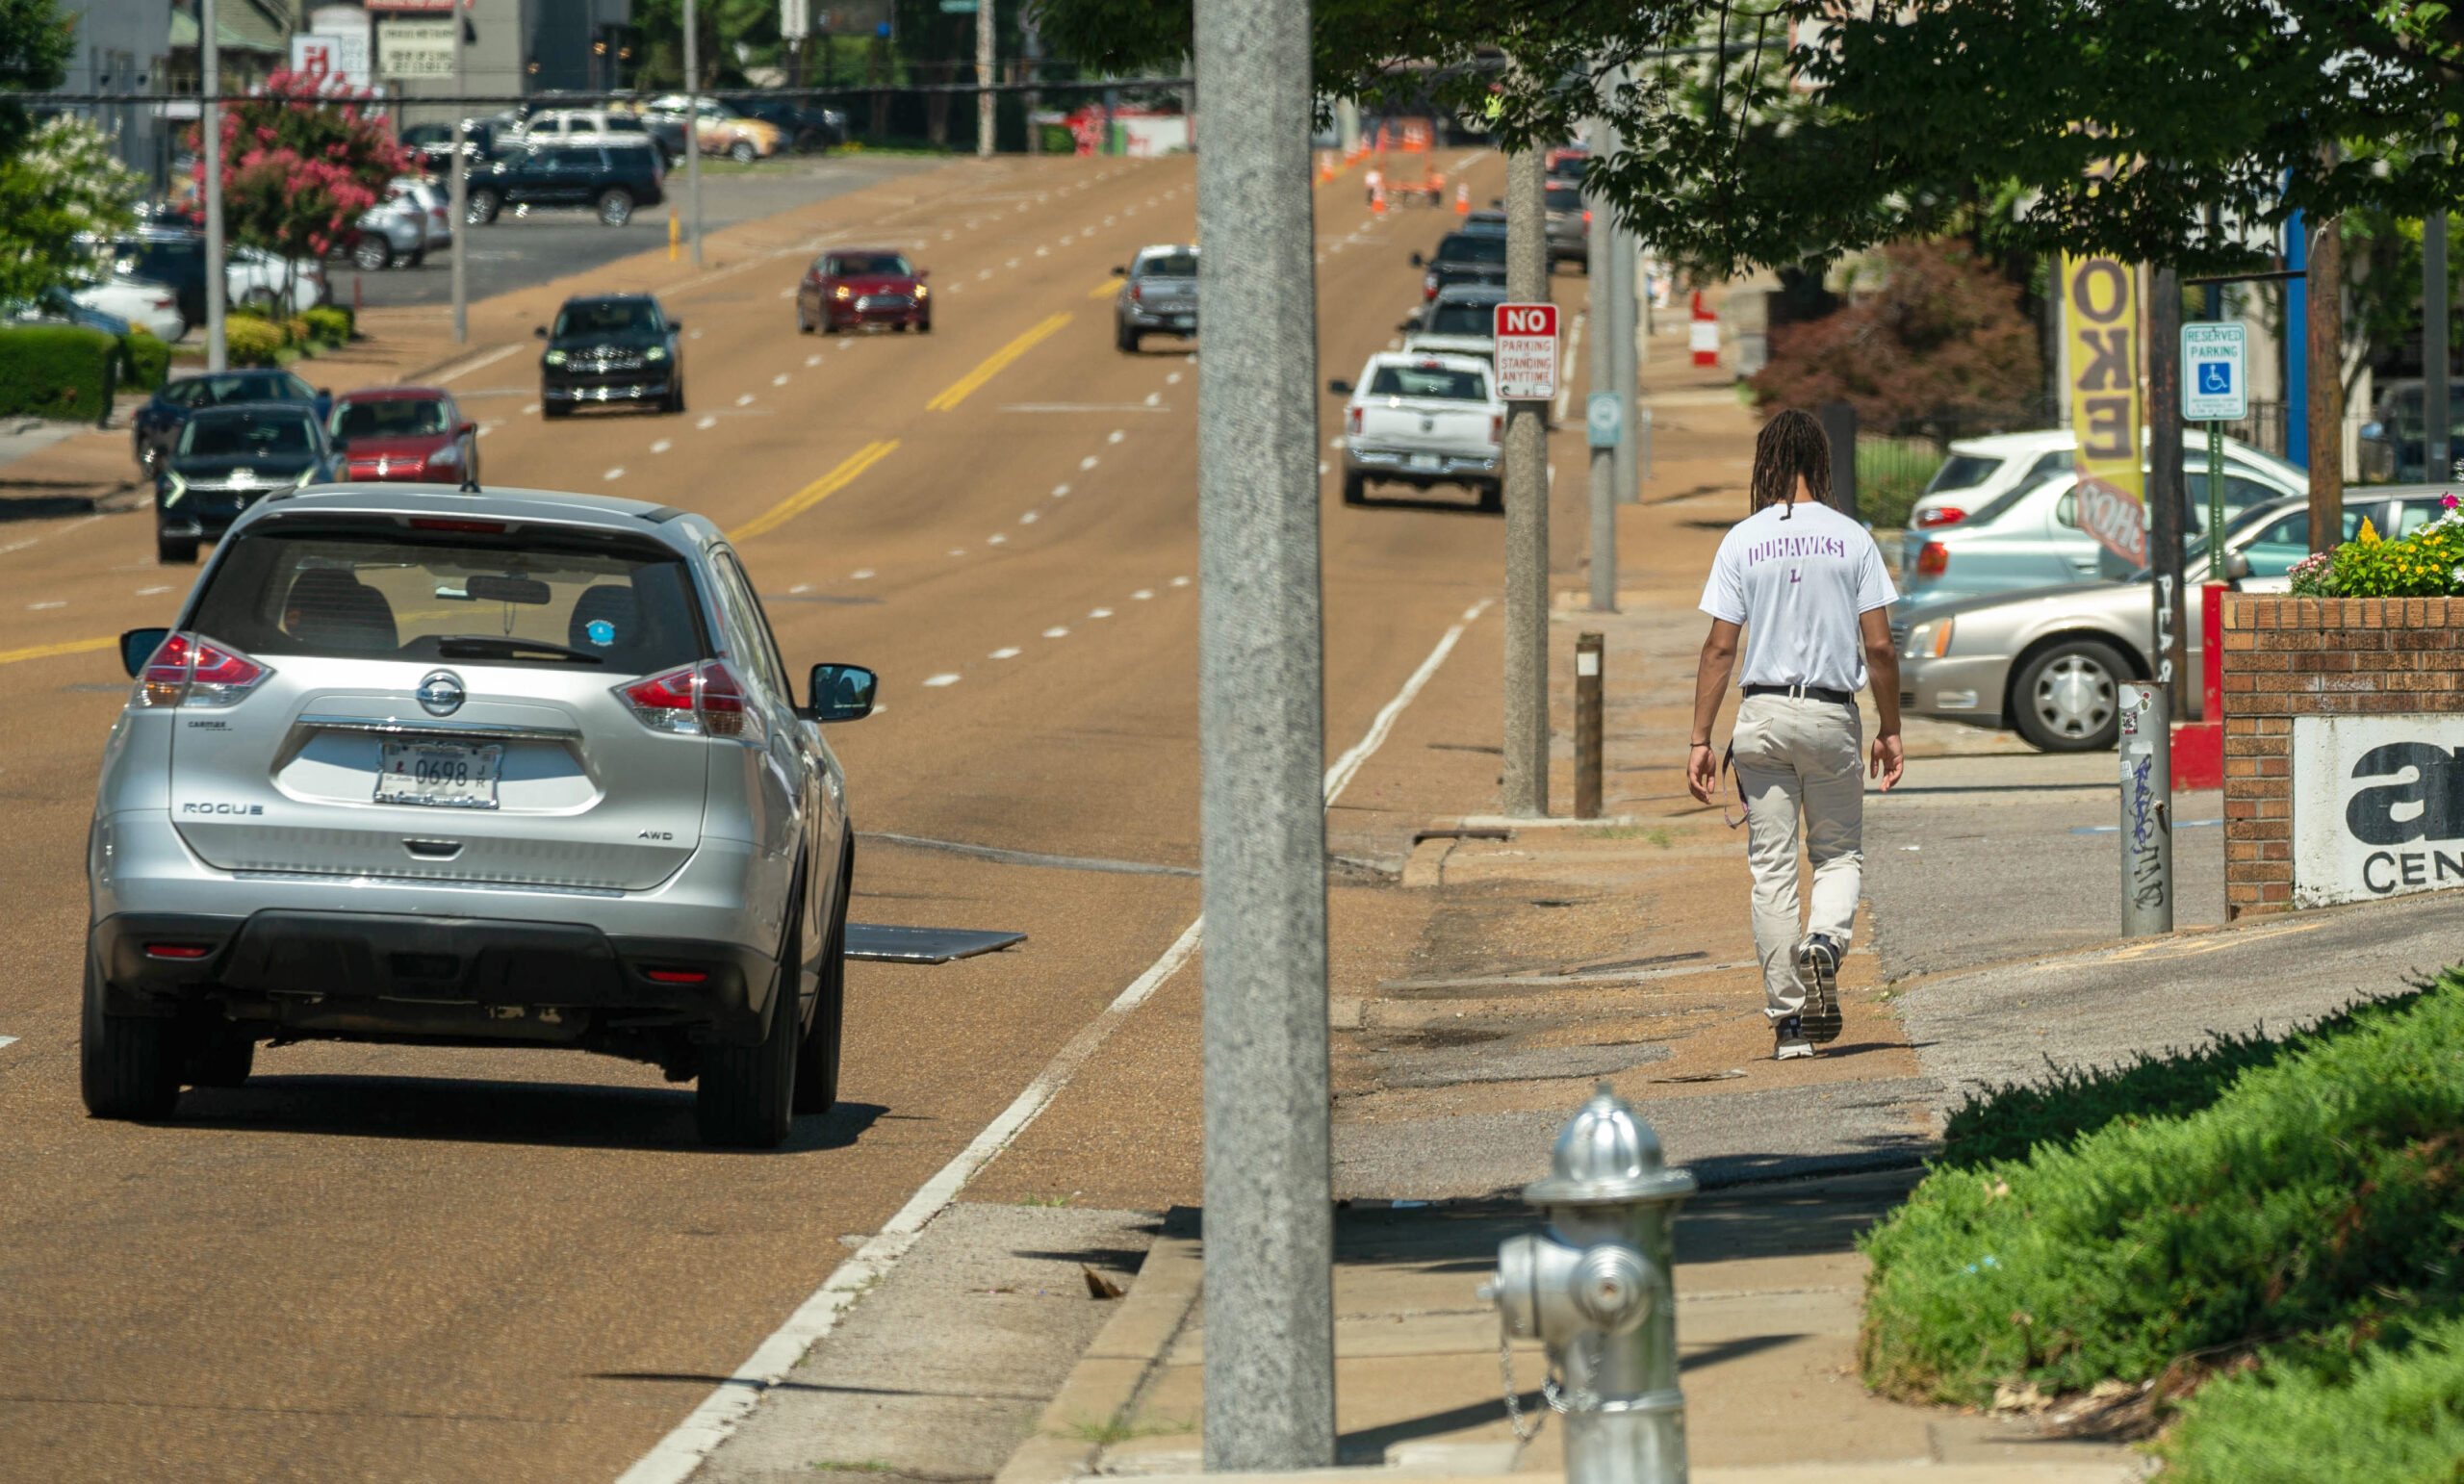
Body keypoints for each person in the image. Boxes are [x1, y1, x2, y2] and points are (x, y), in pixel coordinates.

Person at [1685, 410, 1904, 1061]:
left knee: (1772, 869)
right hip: (1832, 714)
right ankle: (1826, 945)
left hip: (1762, 717)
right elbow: (1881, 647)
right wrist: (1891, 728)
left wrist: (1700, 737)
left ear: (1769, 464)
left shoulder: (1742, 541)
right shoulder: (1853, 539)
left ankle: (1788, 1026)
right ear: (1822, 461)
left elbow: (1720, 649)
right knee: (1837, 855)